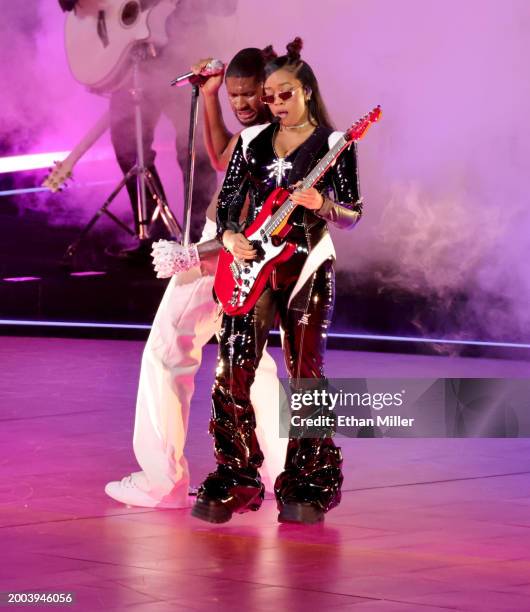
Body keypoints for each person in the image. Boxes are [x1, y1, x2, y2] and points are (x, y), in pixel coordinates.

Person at [105, 46, 288, 508]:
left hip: (226, 251)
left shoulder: (269, 141)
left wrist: (194, 255)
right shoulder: (272, 133)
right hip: (233, 249)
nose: (241, 104)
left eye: (249, 95)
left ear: (268, 93)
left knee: (168, 348)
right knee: (252, 361)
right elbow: (222, 156)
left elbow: (248, 222)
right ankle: (283, 471)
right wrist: (209, 96)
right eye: (234, 95)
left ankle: (160, 480)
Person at [191, 37, 364, 525]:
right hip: (254, 264)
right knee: (231, 366)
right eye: (269, 96)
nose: (275, 104)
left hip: (308, 265)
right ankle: (237, 476)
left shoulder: (334, 144)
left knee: (305, 373)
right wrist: (229, 237)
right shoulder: (250, 143)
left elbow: (353, 213)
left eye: (285, 94)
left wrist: (323, 206)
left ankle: (310, 480)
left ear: (306, 90)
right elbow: (227, 206)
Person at [57, 0, 228, 252]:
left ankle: (202, 237)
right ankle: (152, 237)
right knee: (128, 148)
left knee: (192, 144)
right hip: (132, 62)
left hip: (178, 53)